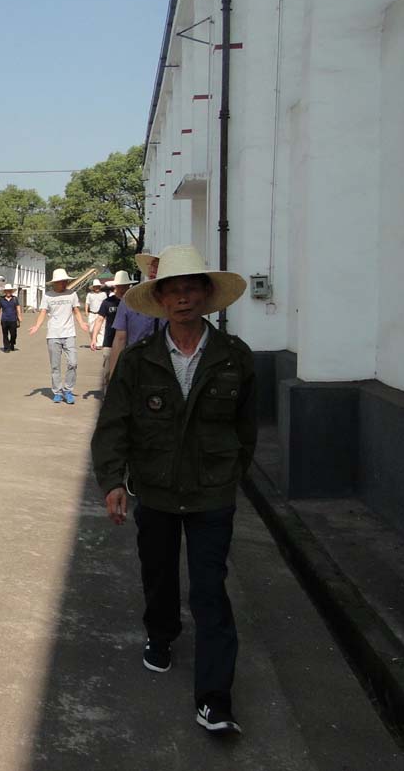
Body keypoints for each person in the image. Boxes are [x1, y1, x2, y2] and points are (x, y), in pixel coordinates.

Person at [91, 245, 254, 735]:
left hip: (211, 495)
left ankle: (215, 700)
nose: (182, 298)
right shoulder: (139, 361)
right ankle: (160, 634)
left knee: (210, 590)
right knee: (158, 574)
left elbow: (246, 430)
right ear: (161, 300)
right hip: (156, 491)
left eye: (191, 289)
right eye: (173, 290)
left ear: (206, 295)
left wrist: (228, 475)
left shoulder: (234, 356)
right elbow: (114, 424)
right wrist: (113, 481)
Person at [27, 268, 89, 404]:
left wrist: (81, 323)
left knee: (73, 362)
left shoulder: (72, 294)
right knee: (55, 366)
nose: (64, 283)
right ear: (55, 283)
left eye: (65, 281)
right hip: (53, 334)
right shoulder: (48, 296)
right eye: (61, 281)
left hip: (69, 333)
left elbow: (76, 311)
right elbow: (43, 312)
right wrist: (37, 326)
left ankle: (68, 390)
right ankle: (57, 392)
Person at [108, 250, 161, 379]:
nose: (153, 270)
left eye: (158, 266)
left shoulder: (176, 301)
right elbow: (120, 338)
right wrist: (113, 376)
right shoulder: (130, 299)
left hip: (164, 368)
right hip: (135, 366)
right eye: (151, 266)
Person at [90, 270, 136, 388]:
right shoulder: (107, 302)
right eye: (120, 285)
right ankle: (108, 396)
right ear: (115, 286)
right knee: (108, 373)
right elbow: (99, 319)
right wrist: (94, 338)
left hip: (130, 343)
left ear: (129, 286)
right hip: (109, 342)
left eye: (125, 285)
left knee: (128, 374)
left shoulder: (134, 303)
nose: (122, 288)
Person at [0, 283, 21, 352]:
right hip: (4, 320)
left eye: (9, 291)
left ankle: (12, 343)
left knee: (13, 334)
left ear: (11, 291)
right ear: (5, 291)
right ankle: (6, 347)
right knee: (5, 334)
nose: (8, 292)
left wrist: (19, 316)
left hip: (13, 319)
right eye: (7, 291)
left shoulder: (15, 299)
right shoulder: (1, 299)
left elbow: (18, 307)